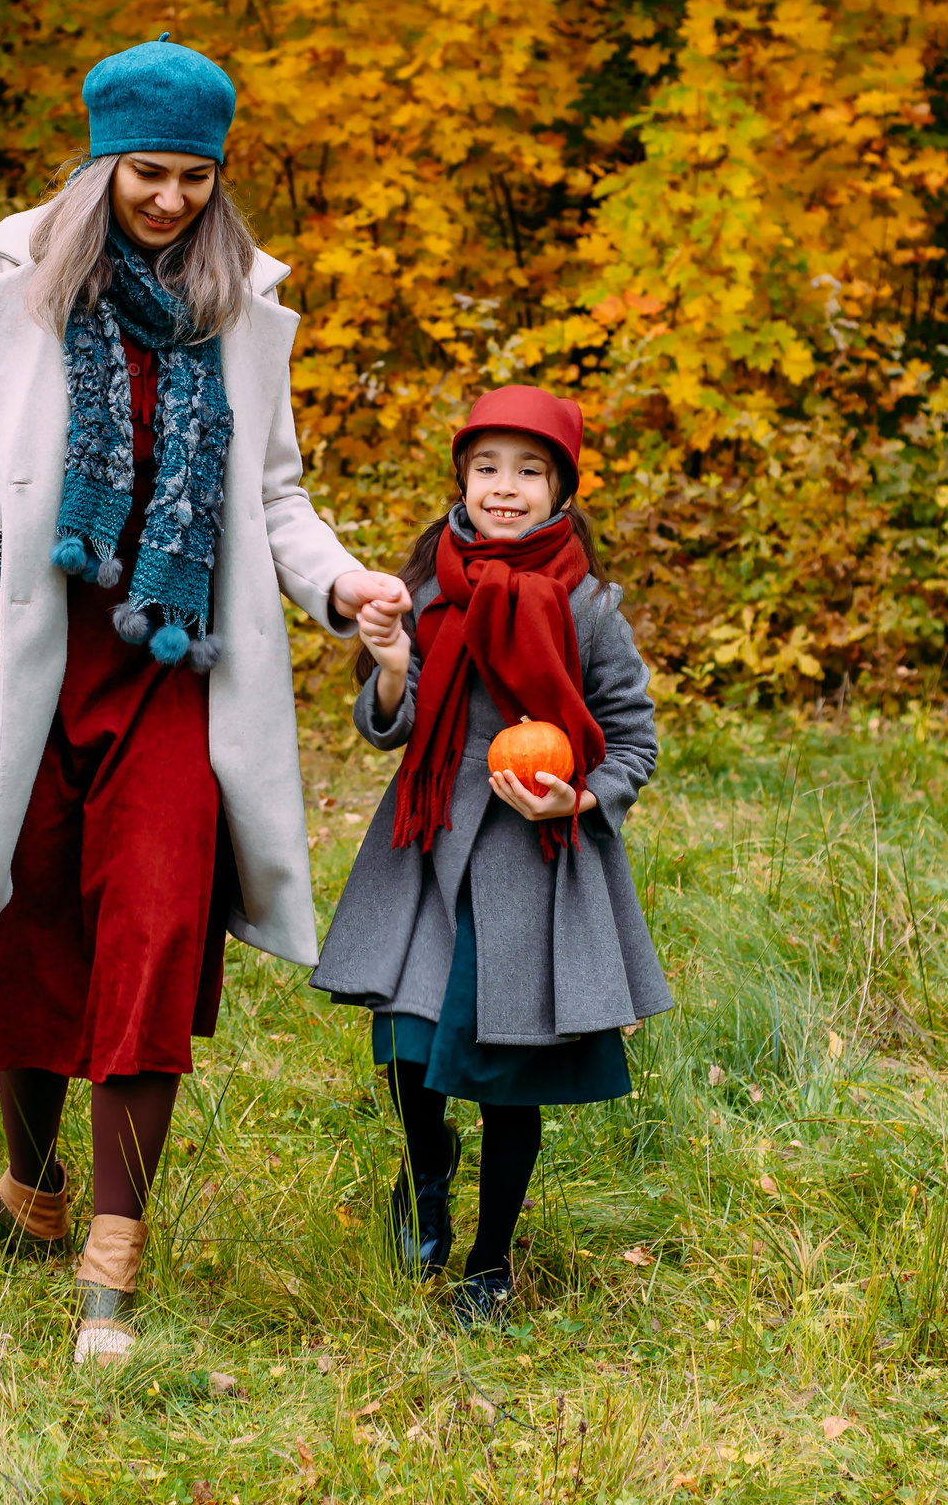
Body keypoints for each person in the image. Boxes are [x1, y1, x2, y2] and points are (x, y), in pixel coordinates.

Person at [0, 36, 411, 1364]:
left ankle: (113, 1258)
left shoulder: (245, 307)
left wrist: (344, 590)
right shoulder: (9, 281)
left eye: (195, 177)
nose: (170, 200)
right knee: (20, 917)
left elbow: (271, 496)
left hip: (171, 668)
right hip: (16, 656)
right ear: (101, 162)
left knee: (153, 928)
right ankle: (30, 1186)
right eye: (148, 173)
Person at [309, 386, 671, 1325]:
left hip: (532, 864)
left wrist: (579, 795)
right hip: (428, 844)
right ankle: (427, 1166)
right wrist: (390, 663)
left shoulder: (590, 606)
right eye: (486, 468)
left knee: (509, 1067)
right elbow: (391, 722)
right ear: (462, 478)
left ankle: (490, 1256)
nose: (504, 489)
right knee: (408, 1044)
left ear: (560, 488)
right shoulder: (428, 585)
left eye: (528, 470)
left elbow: (633, 740)